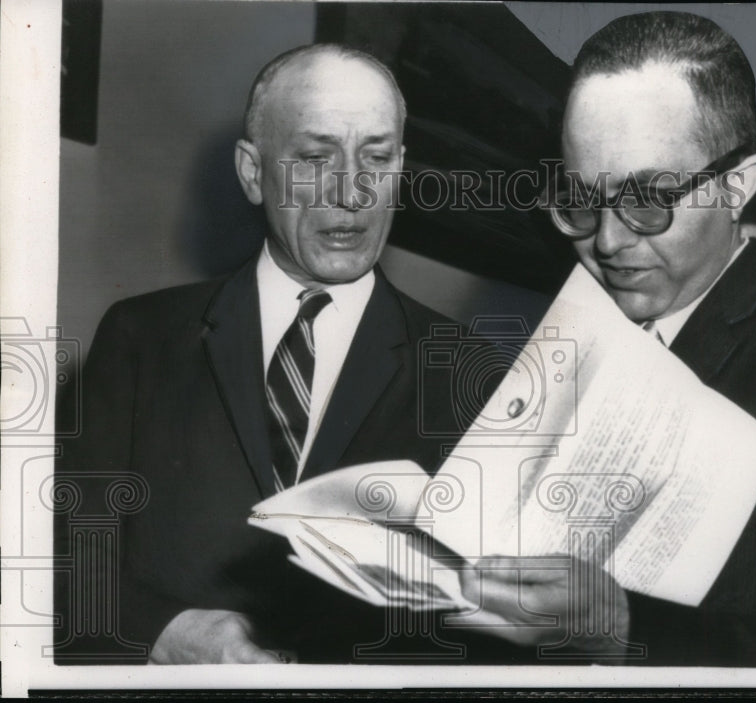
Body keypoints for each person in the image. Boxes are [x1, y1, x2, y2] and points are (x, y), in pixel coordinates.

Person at [464, 11, 756, 668]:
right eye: (580, 199)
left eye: (648, 198)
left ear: (739, 185)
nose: (608, 241)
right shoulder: (566, 340)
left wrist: (616, 622)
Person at [54, 44, 470, 664]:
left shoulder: (468, 369)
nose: (353, 192)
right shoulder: (140, 337)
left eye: (376, 158)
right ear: (253, 172)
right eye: (314, 157)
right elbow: (60, 554)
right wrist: (164, 637)